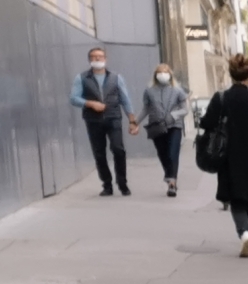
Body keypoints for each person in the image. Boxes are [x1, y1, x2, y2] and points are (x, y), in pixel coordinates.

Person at [199, 55, 248, 257]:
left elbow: (206, 123)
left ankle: (244, 233)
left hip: (230, 156)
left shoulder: (222, 98)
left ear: (231, 73)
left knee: (236, 198)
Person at [69, 46, 134, 196]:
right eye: (94, 57)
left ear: (105, 59)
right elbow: (73, 98)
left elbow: (125, 99)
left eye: (100, 56)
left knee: (118, 149)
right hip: (93, 120)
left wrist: (132, 120)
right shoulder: (82, 78)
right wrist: (90, 103)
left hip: (113, 118)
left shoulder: (116, 77)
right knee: (99, 153)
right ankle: (107, 185)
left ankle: (122, 183)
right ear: (89, 60)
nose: (97, 59)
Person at [138, 63, 190, 198]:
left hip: (174, 126)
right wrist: (135, 122)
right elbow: (146, 109)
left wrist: (173, 116)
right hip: (157, 126)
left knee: (173, 153)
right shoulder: (149, 91)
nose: (163, 75)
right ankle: (170, 176)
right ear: (155, 75)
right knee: (163, 154)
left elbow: (185, 109)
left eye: (165, 72)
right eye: (160, 72)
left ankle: (172, 182)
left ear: (170, 75)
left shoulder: (178, 90)